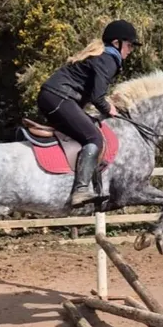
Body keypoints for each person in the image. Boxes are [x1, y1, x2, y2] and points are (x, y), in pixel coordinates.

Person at [36, 19, 141, 206]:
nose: (131, 49)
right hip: (59, 97)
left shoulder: (101, 56)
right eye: (129, 45)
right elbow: (98, 97)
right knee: (94, 138)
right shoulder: (108, 59)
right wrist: (109, 108)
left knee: (88, 129)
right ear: (117, 43)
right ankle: (80, 190)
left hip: (54, 97)